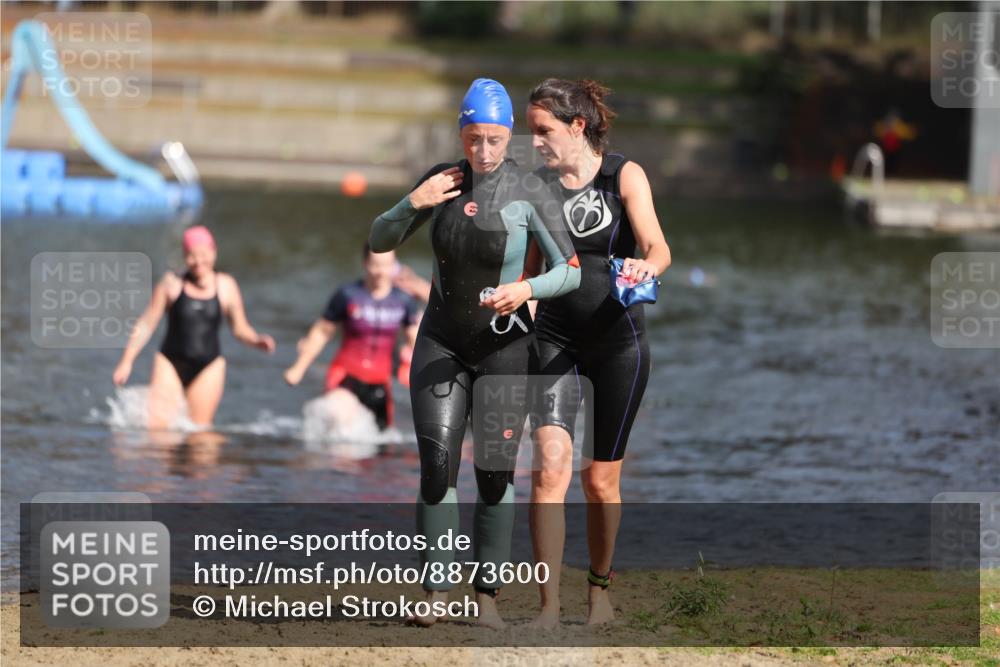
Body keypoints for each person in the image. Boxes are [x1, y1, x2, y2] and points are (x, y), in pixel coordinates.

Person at [369, 78, 581, 629]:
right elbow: (378, 241)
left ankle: (485, 597)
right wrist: (411, 203)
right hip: (441, 342)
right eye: (472, 138)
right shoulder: (441, 181)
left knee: (493, 475)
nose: (482, 151)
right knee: (437, 468)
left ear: (508, 136)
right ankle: (436, 592)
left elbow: (571, 271)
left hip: (503, 348)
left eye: (492, 139)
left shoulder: (530, 191)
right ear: (460, 133)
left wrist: (526, 290)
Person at [523, 78, 672, 628]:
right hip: (554, 338)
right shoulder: (536, 186)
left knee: (599, 481)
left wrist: (646, 267)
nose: (534, 141)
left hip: (618, 342)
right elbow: (529, 270)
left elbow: (658, 247)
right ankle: (547, 607)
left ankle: (599, 588)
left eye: (544, 131)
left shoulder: (624, 175)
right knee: (547, 472)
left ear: (577, 126)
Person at [112, 225, 276, 428]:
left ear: (214, 252)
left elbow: (240, 329)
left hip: (209, 367)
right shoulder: (170, 284)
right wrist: (126, 361)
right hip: (169, 362)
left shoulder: (226, 285)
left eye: (203, 255)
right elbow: (146, 323)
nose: (198, 262)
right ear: (184, 256)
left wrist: (256, 341)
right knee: (157, 432)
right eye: (191, 256)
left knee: (198, 435)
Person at [283, 243, 424, 431]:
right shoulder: (347, 295)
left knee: (382, 443)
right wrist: (299, 368)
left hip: (380, 383)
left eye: (387, 265)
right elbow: (322, 332)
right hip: (346, 376)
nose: (380, 271)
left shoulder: (403, 301)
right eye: (376, 265)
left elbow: (415, 340)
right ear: (365, 263)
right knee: (341, 422)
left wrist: (427, 375)